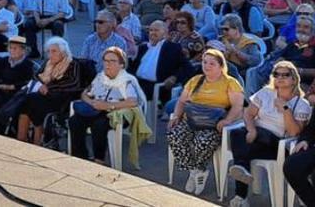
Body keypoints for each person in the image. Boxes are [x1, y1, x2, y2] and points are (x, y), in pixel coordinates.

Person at [227, 60, 310, 207]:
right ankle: (242, 180)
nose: (280, 77)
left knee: (242, 145)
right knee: (236, 134)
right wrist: (252, 129)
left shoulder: (301, 104)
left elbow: (294, 132)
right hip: (255, 138)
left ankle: (241, 195)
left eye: (285, 74)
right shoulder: (266, 93)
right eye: (277, 74)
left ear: (294, 79)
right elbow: (248, 114)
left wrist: (285, 109)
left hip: (277, 145)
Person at [167, 49, 245, 195]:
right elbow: (182, 101)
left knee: (203, 141)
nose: (207, 66)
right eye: (204, 62)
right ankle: (195, 170)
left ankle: (199, 169)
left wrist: (228, 120)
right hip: (190, 120)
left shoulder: (230, 83)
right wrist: (176, 116)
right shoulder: (196, 80)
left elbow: (237, 106)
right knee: (174, 135)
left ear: (221, 66)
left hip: (212, 123)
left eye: (212, 63)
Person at [68, 46, 141, 164]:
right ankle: (80, 157)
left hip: (115, 113)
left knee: (99, 125)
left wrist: (108, 106)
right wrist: (91, 102)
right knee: (74, 121)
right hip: (95, 109)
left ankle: (99, 160)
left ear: (121, 64)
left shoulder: (126, 81)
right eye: (106, 61)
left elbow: (133, 102)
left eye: (112, 61)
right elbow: (84, 94)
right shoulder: (99, 77)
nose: (108, 64)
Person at [15, 37, 84, 146]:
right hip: (43, 96)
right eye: (48, 51)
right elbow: (36, 76)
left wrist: (50, 87)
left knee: (29, 100)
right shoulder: (48, 63)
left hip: (61, 99)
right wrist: (42, 85)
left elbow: (73, 83)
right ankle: (25, 139)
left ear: (63, 52)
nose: (50, 54)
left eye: (54, 51)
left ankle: (27, 140)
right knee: (29, 101)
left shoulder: (73, 63)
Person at [131, 20, 186, 107]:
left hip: (156, 86)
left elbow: (186, 67)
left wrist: (174, 77)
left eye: (156, 30)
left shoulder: (173, 48)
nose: (152, 32)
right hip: (136, 82)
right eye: (151, 30)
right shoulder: (143, 47)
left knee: (132, 96)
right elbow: (132, 67)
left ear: (165, 32)